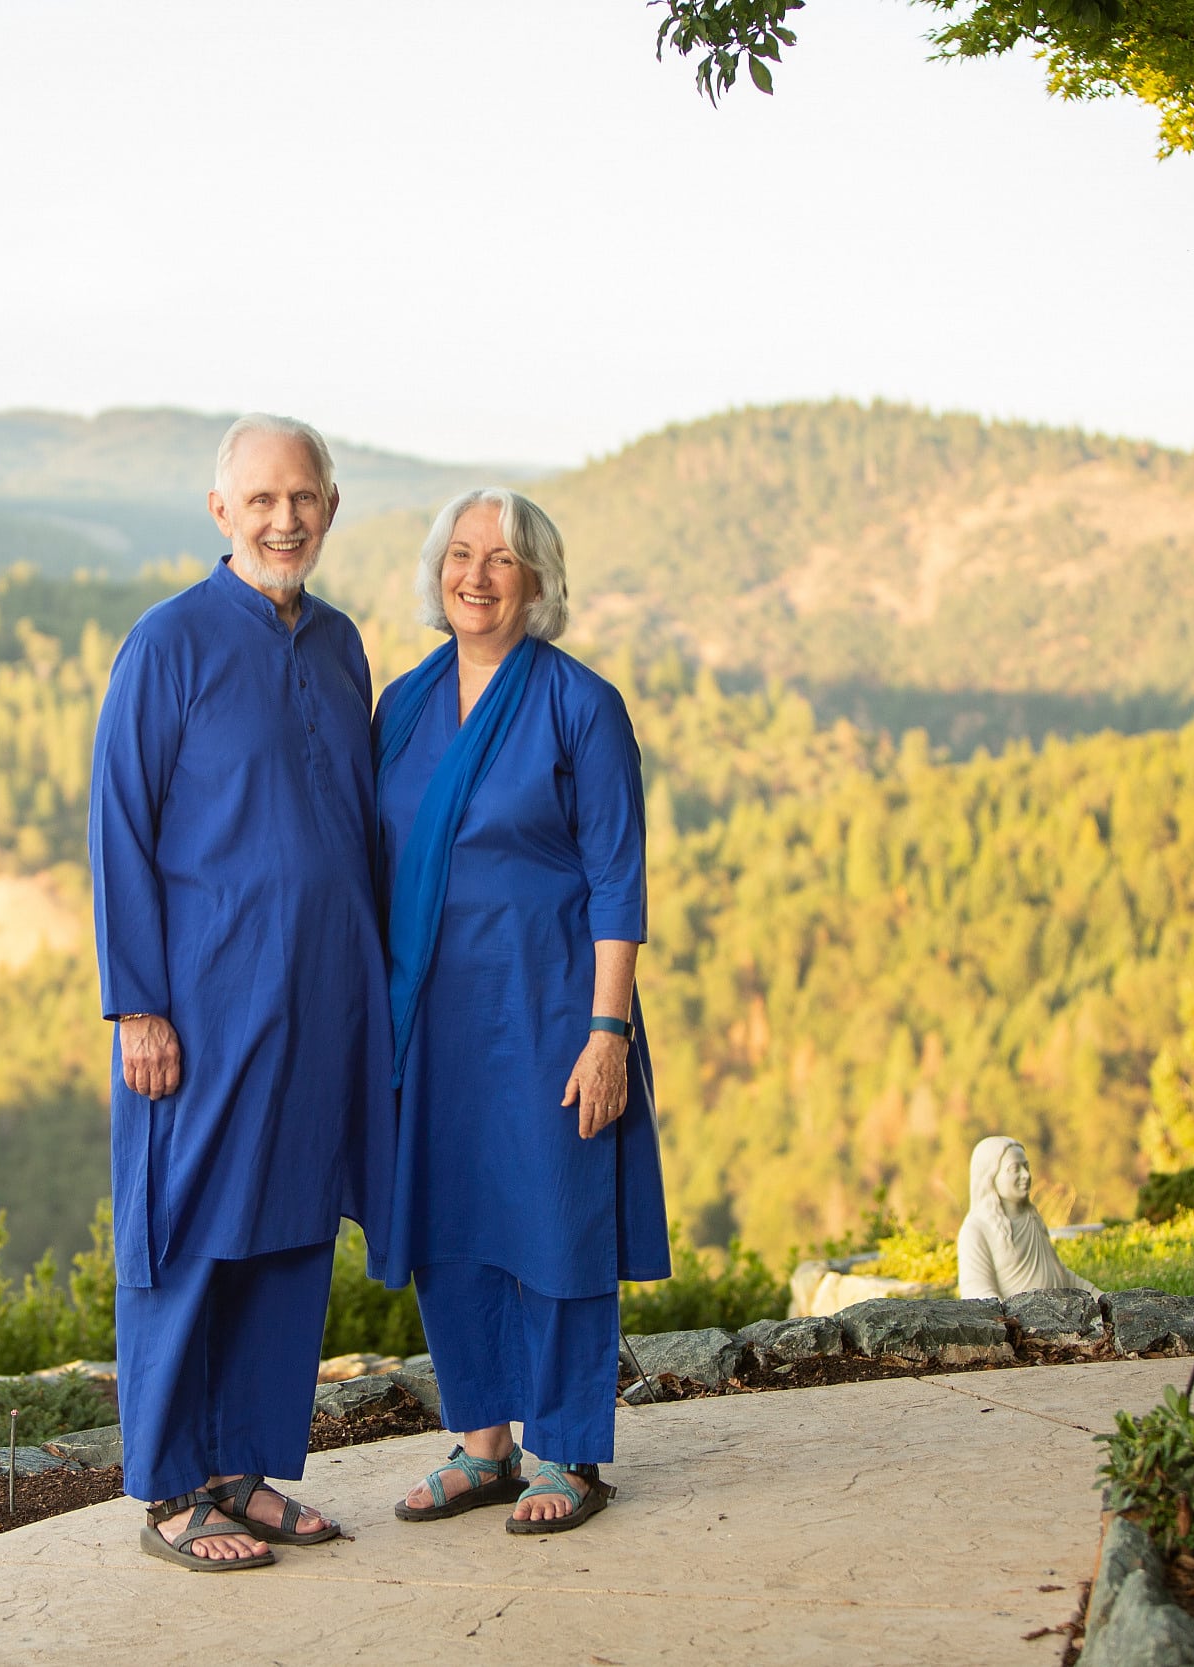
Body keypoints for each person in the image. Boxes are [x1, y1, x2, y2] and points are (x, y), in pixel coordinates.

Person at [89, 413, 393, 1570]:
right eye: (261, 500)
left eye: (303, 497)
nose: (284, 518)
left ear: (327, 506)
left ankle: (244, 1470)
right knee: (185, 1235)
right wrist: (138, 1004)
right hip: (199, 1010)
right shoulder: (165, 645)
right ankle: (172, 1487)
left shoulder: (341, 645)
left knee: (286, 1233)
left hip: (319, 1006)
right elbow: (119, 828)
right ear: (221, 512)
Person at [370, 487, 671, 1535]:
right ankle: (482, 1439)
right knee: (451, 1227)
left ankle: (569, 1449)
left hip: (549, 1011)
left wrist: (608, 1031)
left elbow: (616, 880)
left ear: (536, 580)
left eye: (502, 558)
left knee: (554, 1221)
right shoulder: (401, 707)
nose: (477, 575)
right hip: (432, 1021)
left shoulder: (579, 704)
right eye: (461, 554)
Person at [956, 1135, 1098, 1301]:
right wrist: (1011, 1322)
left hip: (1064, 1315)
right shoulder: (976, 1228)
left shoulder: (1031, 1218)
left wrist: (1098, 1296)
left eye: (1026, 1167)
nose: (1026, 1175)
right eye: (1015, 1169)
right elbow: (977, 1291)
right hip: (1020, 1323)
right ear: (990, 1175)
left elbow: (1060, 1274)